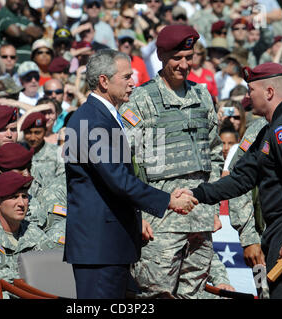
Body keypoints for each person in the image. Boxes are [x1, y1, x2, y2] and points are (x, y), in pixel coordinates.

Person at [63, 49, 198, 299]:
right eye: (126, 77)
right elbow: (119, 180)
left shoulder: (103, 116)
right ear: (104, 81)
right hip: (100, 248)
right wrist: (168, 200)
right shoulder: (91, 120)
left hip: (110, 243)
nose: (132, 83)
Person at [190, 62, 282, 299]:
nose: (248, 97)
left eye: (251, 90)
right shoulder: (272, 129)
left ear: (269, 92)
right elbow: (242, 178)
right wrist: (198, 194)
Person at [119, 25, 224, 299]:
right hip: (160, 222)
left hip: (199, 219)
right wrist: (137, 214)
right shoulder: (139, 100)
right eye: (177, 57)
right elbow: (126, 162)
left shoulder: (202, 96)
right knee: (155, 296)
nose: (184, 64)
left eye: (189, 57)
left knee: (195, 295)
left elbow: (214, 153)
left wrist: (211, 204)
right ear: (162, 55)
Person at [0, 171, 55, 298]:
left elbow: (48, 270)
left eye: (24, 196)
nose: (21, 204)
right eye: (14, 197)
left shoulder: (34, 233)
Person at [0, 0, 44, 64]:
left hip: (27, 66)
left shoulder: (23, 18)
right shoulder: (1, 14)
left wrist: (21, 31)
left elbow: (39, 33)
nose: (18, 1)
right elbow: (15, 33)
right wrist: (28, 34)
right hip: (9, 66)